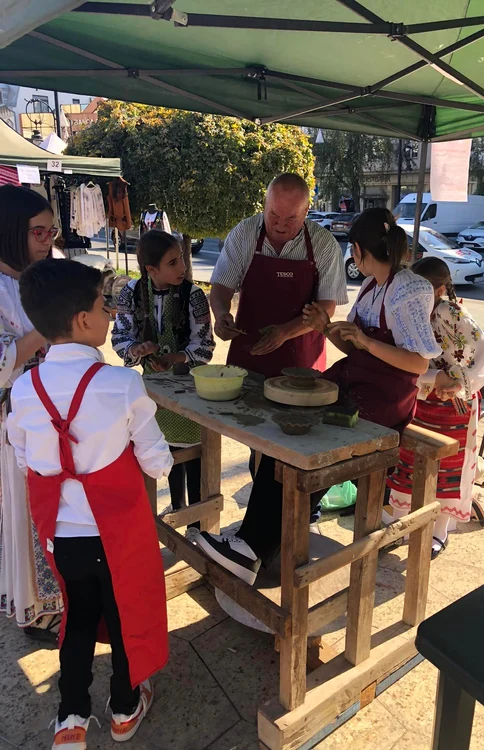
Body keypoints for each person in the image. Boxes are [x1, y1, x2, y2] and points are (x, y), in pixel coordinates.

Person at [194, 208, 442, 584]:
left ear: (356, 250)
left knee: (304, 449)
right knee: (283, 438)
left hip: (384, 399)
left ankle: (254, 547)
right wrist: (323, 327)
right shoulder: (375, 286)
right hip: (358, 380)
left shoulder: (409, 288)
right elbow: (355, 346)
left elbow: (418, 364)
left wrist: (367, 344)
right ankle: (252, 544)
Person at [7, 258, 172, 748]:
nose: (110, 314)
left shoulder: (23, 389)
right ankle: (124, 707)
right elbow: (158, 462)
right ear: (83, 320)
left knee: (77, 618)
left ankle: (70, 718)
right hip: (117, 534)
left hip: (64, 536)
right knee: (124, 617)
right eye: (105, 305)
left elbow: (24, 460)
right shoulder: (122, 385)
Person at [387, 256, 484, 558]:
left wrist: (459, 384)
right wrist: (434, 378)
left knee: (449, 468)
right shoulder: (415, 312)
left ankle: (439, 531)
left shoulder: (451, 312)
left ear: (437, 289)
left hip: (454, 405)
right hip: (422, 398)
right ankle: (400, 522)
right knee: (409, 460)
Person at [112, 229, 215, 513]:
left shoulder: (194, 296)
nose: (182, 267)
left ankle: (196, 520)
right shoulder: (130, 294)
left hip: (191, 390)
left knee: (194, 456)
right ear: (150, 269)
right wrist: (138, 350)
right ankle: (178, 508)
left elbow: (205, 345)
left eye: (181, 258)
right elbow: (120, 339)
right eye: (172, 262)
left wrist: (178, 357)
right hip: (153, 392)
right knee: (166, 452)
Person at [0, 184, 63, 641]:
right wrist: (51, 323)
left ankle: (57, 596)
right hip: (17, 425)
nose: (48, 240)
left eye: (51, 231)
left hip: (55, 416)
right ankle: (37, 609)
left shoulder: (39, 277)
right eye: (39, 232)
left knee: (54, 511)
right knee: (26, 515)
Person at [210, 173, 347, 379]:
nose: (280, 225)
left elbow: (327, 307)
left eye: (291, 218)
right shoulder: (244, 234)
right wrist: (221, 315)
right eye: (273, 214)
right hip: (248, 356)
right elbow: (221, 287)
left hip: (302, 362)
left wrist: (285, 332)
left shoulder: (324, 244)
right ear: (264, 205)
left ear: (306, 211)